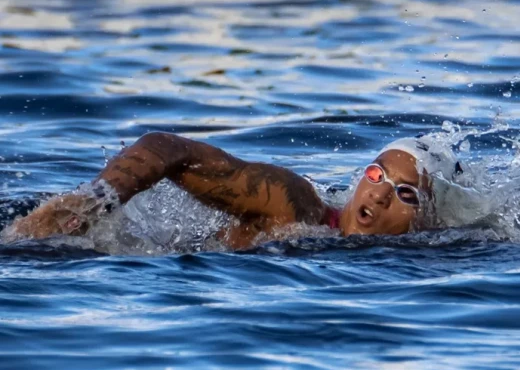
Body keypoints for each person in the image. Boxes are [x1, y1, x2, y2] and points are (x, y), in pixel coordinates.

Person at [3, 132, 465, 249]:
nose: (380, 195)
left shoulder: (419, 264)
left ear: (428, 221)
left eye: (407, 195)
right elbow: (167, 147)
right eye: (377, 175)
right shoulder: (293, 205)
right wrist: (95, 202)